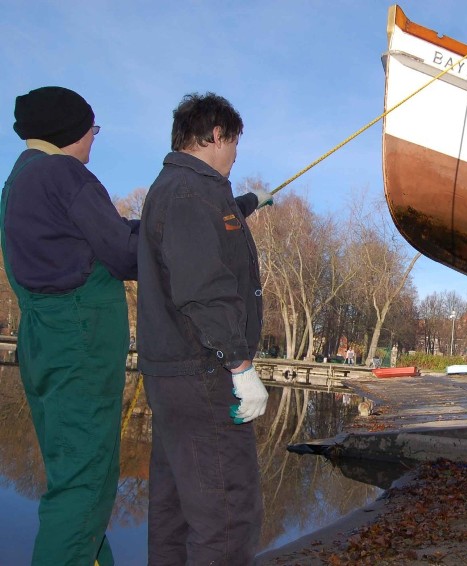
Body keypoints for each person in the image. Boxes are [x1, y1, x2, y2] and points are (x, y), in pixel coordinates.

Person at [1, 86, 139, 565]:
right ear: (72, 132)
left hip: (44, 344)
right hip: (80, 346)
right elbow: (124, 254)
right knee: (85, 485)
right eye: (93, 130)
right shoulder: (64, 174)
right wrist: (170, 233)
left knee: (74, 475)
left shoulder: (19, 178)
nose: (94, 140)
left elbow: (93, 239)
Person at [137, 92, 273, 564]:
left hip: (175, 375)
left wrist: (247, 204)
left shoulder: (177, 189)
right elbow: (203, 287)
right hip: (205, 375)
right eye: (234, 143)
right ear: (215, 136)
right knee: (227, 516)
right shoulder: (192, 194)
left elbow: (200, 240)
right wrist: (240, 363)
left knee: (175, 510)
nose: (236, 154)